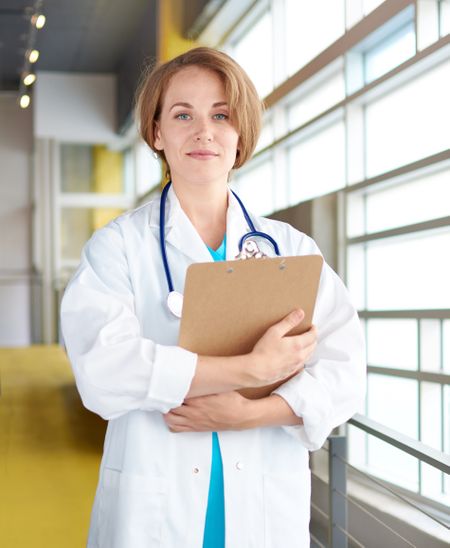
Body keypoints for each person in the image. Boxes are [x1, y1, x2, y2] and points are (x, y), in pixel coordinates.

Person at [60, 47, 366, 548]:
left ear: (239, 132)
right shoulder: (118, 248)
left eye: (221, 115)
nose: (204, 131)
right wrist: (250, 371)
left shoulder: (290, 250)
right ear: (157, 132)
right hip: (156, 504)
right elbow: (103, 371)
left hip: (264, 504)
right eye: (183, 115)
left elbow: (344, 373)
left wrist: (247, 413)